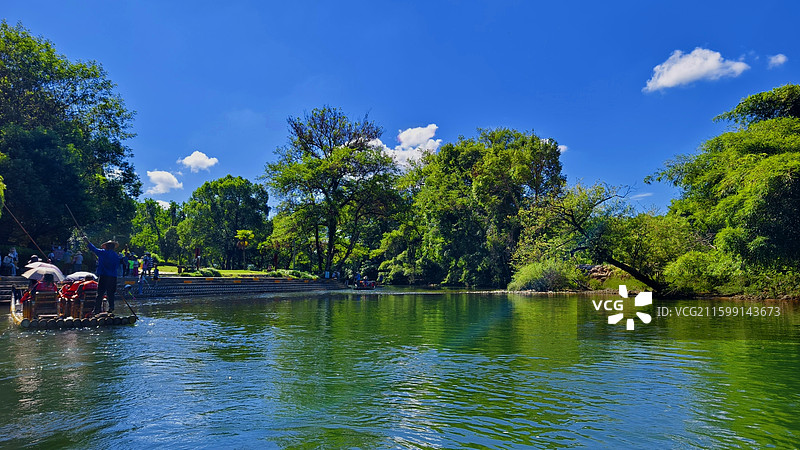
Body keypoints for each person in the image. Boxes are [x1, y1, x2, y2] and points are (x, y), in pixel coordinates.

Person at [84, 237, 121, 315]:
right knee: (111, 293)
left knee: (100, 293)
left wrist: (87, 241)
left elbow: (93, 249)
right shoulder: (116, 256)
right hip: (113, 276)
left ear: (106, 246)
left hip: (104, 275)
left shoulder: (103, 252)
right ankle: (111, 307)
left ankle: (97, 309)